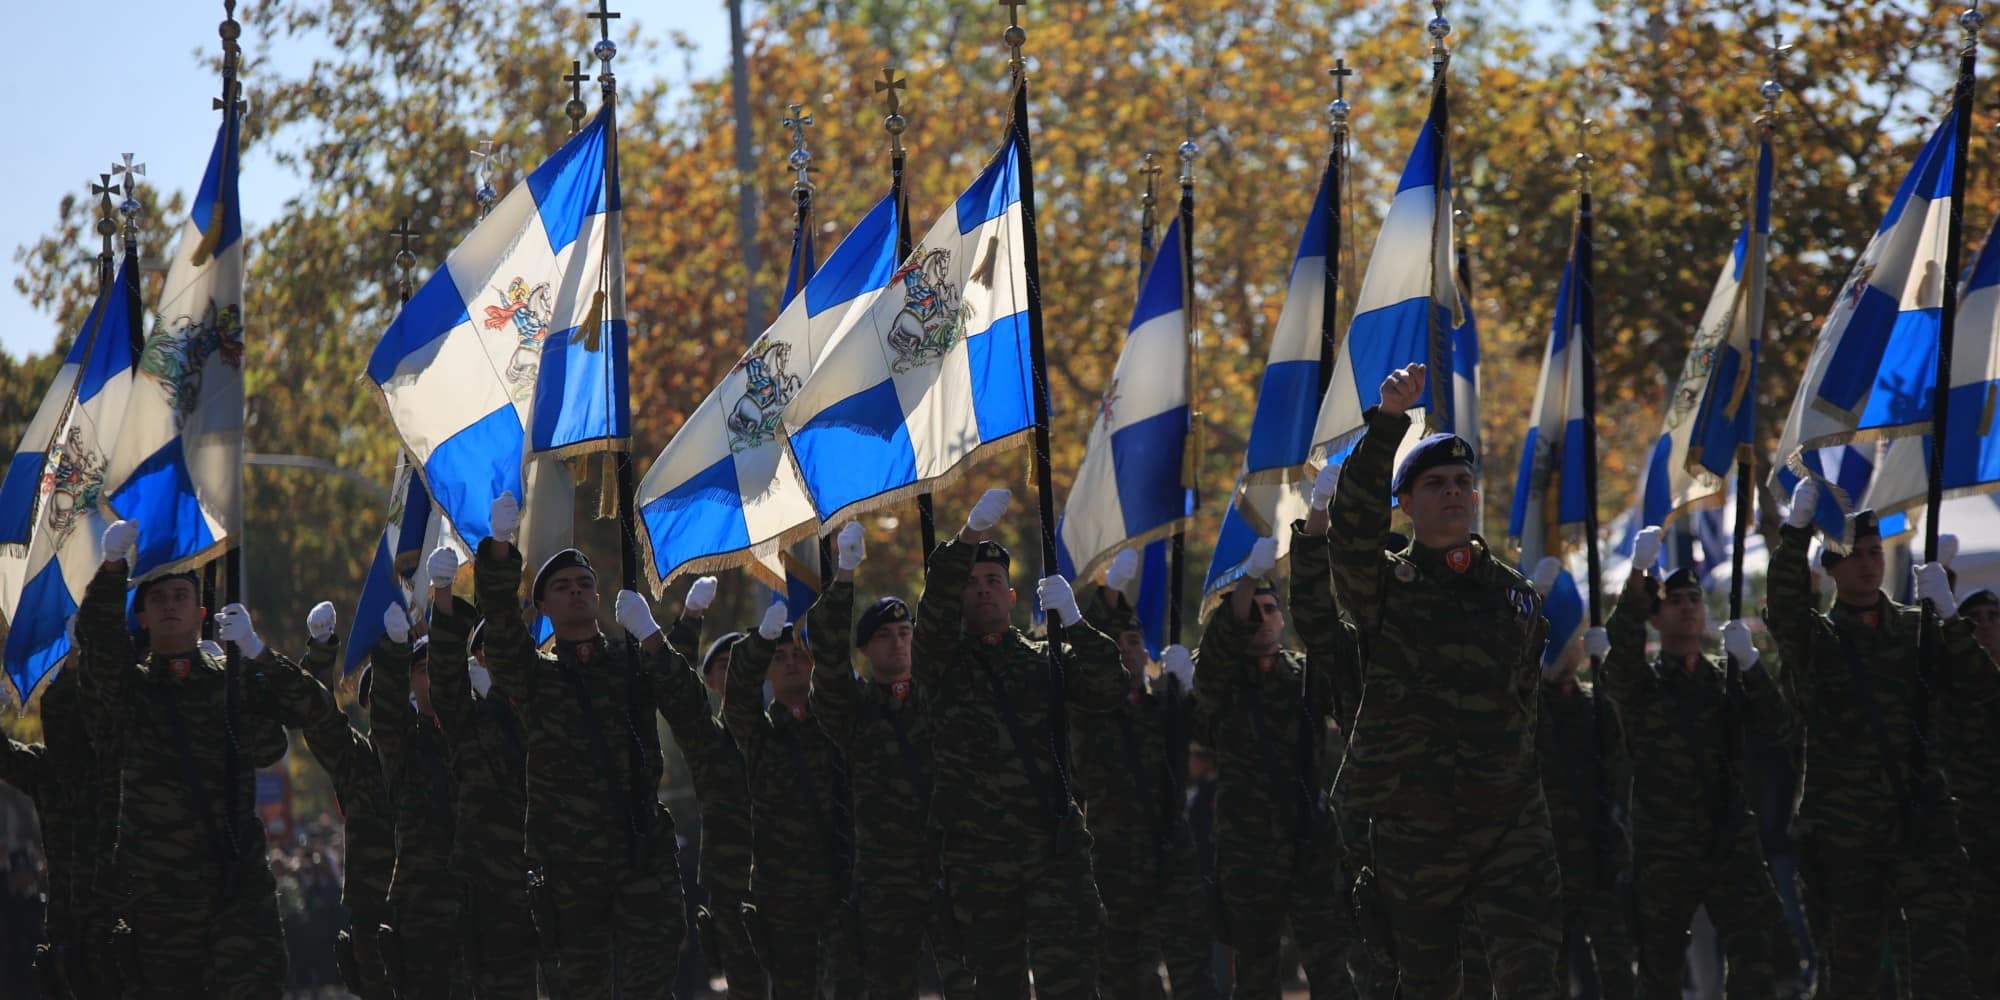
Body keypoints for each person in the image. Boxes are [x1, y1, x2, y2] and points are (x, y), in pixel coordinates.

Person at [1324, 364, 1562, 999]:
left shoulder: (1515, 596)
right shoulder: (1385, 586)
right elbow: (1349, 538)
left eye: (1463, 482)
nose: (1454, 493)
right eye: (1435, 484)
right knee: (1427, 981)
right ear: (1404, 504)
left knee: (1530, 972)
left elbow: (1525, 704)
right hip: (1414, 820)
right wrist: (1388, 427)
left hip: (1507, 818)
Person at [75, 517, 332, 997]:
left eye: (180, 597)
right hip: (159, 899)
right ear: (143, 618)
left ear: (201, 611)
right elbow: (98, 648)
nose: (170, 606)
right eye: (157, 600)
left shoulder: (229, 681)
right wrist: (111, 573)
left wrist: (257, 653)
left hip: (235, 891)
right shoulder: (132, 690)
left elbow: (307, 712)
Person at [1765, 492, 1991, 998]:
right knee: (1851, 972)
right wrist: (1796, 531)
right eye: (1853, 554)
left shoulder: (1918, 628)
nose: (1866, 564)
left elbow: (1981, 690)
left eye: (1873, 552)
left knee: (1942, 968)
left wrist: (1952, 618)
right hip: (1848, 836)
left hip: (1922, 824)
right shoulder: (1816, 639)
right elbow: (1783, 606)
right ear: (1831, 567)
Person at [915, 488, 1130, 999]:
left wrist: (1076, 623)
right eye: (971, 583)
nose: (983, 590)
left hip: (1052, 852)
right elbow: (933, 618)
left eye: (994, 582)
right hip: (979, 859)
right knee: (996, 988)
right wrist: (966, 538)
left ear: (1012, 597)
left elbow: (1109, 689)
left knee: (1071, 983)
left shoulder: (1042, 659)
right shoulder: (940, 665)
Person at [472, 491, 688, 999]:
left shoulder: (631, 662)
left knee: (650, 988)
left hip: (640, 856)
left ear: (598, 596)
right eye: (562, 587)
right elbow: (502, 638)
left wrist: (653, 637)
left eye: (585, 584)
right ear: (543, 606)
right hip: (571, 871)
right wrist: (500, 553)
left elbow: (688, 704)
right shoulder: (537, 677)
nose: (576, 593)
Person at [1592, 531, 1800, 999]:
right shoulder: (1643, 687)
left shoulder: (1726, 680)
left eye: (1694, 599)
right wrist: (1638, 580)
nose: (1688, 608)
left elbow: (1778, 729)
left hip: (1730, 839)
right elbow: (1618, 659)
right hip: (1667, 848)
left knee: (1755, 956)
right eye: (1675, 601)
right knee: (1660, 968)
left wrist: (1750, 665)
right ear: (1656, 617)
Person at [805, 522, 976, 1000]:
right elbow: (828, 658)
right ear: (867, 648)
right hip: (887, 877)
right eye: (885, 636)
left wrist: (967, 540)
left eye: (905, 632)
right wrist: (843, 578)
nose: (899, 642)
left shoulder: (939, 695)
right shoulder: (854, 712)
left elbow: (943, 619)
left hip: (952, 863)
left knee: (972, 983)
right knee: (890, 987)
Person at [1200, 505, 1360, 999]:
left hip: (1309, 834)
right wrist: (1247, 580)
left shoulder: (1305, 674)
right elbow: (1220, 650)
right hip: (1249, 842)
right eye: (1254, 611)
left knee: (1329, 962)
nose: (1264, 619)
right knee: (1256, 970)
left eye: (1273, 610)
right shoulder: (1224, 678)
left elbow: (1352, 679)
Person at [1072, 548, 1218, 1000]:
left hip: (1170, 848)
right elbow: (1090, 645)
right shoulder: (1092, 708)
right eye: (1118, 645)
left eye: (1134, 643)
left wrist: (1192, 689)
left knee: (1192, 965)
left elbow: (1213, 736)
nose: (1128, 652)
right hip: (1113, 856)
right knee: (1125, 972)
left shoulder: (1164, 706)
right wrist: (1109, 592)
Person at [723, 596, 863, 1000]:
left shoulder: (839, 720)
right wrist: (760, 641)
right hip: (784, 896)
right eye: (779, 656)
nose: (790, 662)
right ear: (768, 669)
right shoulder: (760, 734)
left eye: (799, 654)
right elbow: (737, 698)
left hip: (846, 884)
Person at [422, 548, 540, 1000]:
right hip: (494, 893)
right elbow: (445, 682)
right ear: (481, 661)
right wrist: (444, 596)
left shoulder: (550, 704)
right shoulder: (470, 719)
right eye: (491, 650)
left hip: (563, 880)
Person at [654, 575, 766, 1000]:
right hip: (735, 894)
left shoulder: (793, 729)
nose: (740, 672)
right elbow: (675, 691)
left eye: (749, 661)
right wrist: (691, 619)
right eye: (727, 666)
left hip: (803, 887)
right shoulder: (707, 739)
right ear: (712, 682)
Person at [1527, 615, 1636, 1000]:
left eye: (1570, 638)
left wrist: (1606, 675)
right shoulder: (1533, 708)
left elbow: (1619, 760)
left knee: (1616, 968)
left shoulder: (1596, 705)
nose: (1565, 647)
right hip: (1547, 864)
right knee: (1551, 975)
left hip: (1597, 856)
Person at [296, 603, 397, 1000]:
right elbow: (321, 724)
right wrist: (321, 654)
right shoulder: (361, 763)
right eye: (385, 694)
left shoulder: (446, 748)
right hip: (376, 924)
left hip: (445, 919)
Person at [368, 606, 464, 997]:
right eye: (423, 670)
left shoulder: (482, 732)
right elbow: (386, 717)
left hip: (489, 906)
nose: (435, 676)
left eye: (443, 664)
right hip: (427, 913)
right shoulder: (407, 746)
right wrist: (393, 649)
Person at [1947, 586, 1998, 995]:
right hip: (1975, 837)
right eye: (1973, 618)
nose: (1984, 624)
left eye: (1992, 615)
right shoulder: (1954, 693)